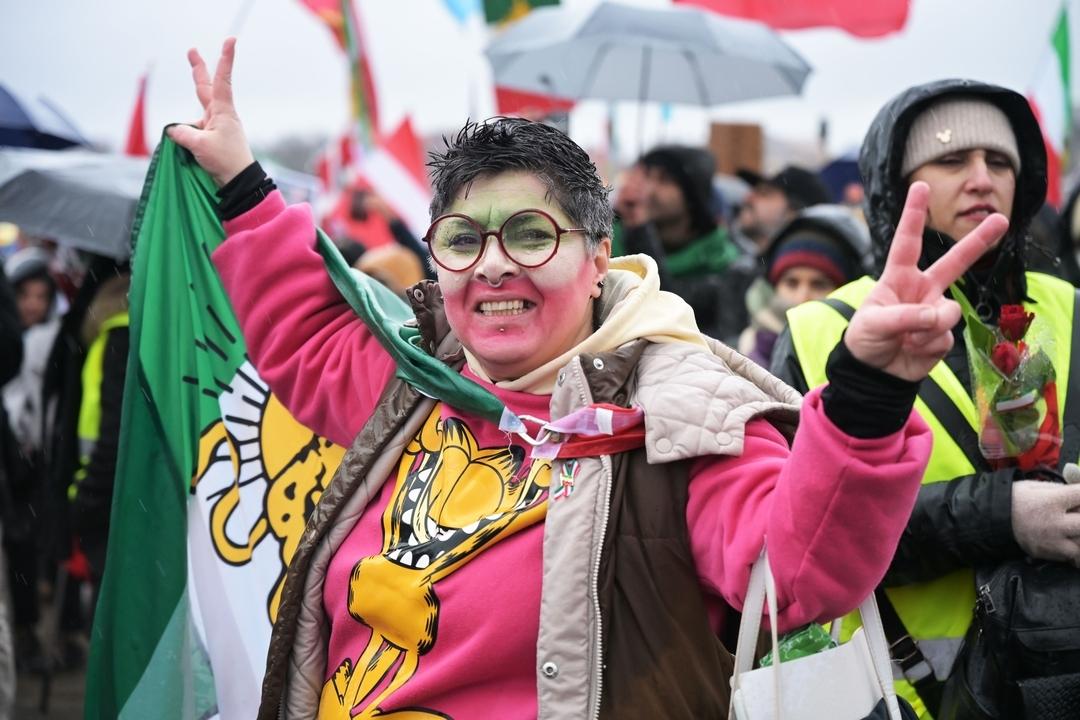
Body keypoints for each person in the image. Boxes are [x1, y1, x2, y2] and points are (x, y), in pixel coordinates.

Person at [168, 40, 1004, 719]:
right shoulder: (421, 381)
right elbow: (306, 335)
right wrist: (244, 184)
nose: (493, 266)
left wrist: (868, 394)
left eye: (531, 234)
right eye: (463, 239)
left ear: (599, 254)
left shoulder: (679, 406)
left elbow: (795, 574)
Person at [773, 79, 1080, 718]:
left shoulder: (1065, 308)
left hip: (1054, 686)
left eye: (999, 162)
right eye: (950, 160)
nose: (980, 178)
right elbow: (798, 541)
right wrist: (1008, 514)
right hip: (897, 692)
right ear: (894, 184)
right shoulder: (819, 328)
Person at [626, 146, 749, 343]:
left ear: (692, 194)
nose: (649, 190)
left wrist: (641, 233)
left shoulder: (723, 262)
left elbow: (666, 308)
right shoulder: (618, 238)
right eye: (648, 177)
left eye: (664, 180)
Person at [737, 205, 870, 367]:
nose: (802, 297)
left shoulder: (862, 356)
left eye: (819, 285)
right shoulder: (740, 351)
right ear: (773, 286)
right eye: (791, 283)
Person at [735, 165, 831, 254]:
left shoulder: (803, 270)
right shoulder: (736, 263)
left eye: (764, 193)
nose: (747, 199)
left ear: (794, 213)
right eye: (753, 191)